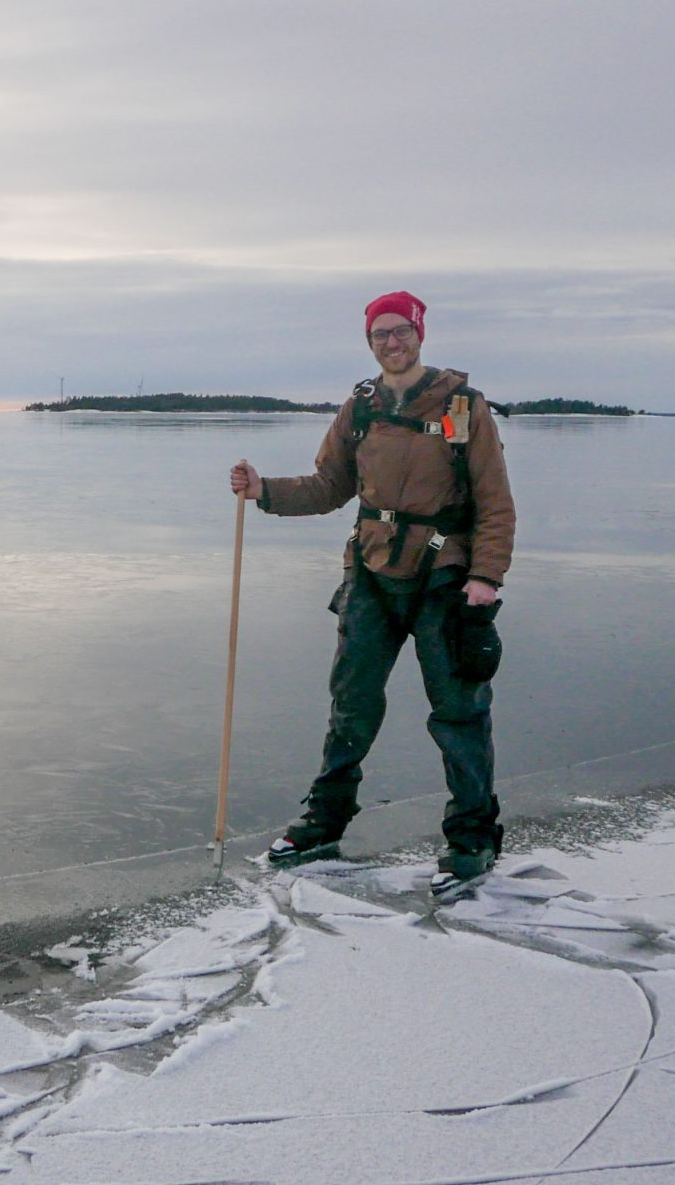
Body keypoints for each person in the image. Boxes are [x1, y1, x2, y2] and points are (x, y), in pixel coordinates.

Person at [228, 289, 515, 896]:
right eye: (380, 334)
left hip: (446, 578)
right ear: (370, 342)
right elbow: (330, 486)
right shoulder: (358, 408)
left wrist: (486, 578)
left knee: (459, 712)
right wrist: (264, 491)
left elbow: (494, 501)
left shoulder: (464, 406)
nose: (391, 343)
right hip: (371, 573)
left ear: (419, 335)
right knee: (352, 702)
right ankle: (323, 823)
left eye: (400, 332)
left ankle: (472, 837)